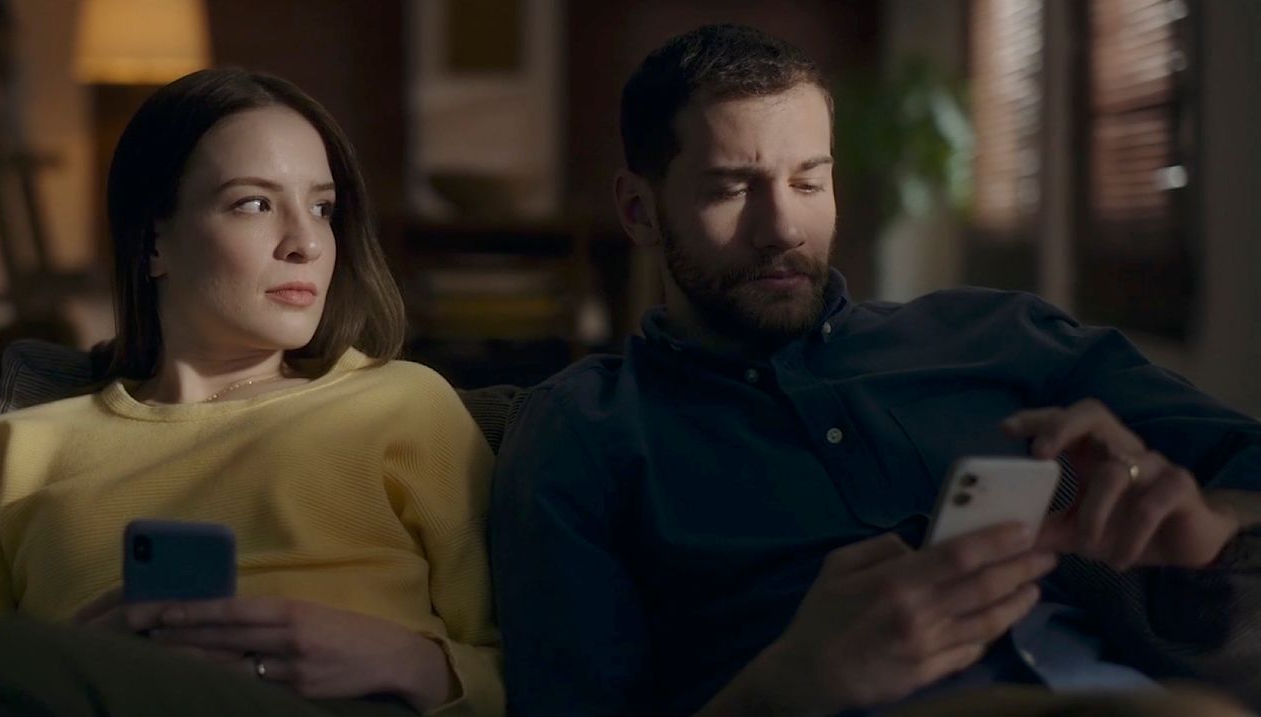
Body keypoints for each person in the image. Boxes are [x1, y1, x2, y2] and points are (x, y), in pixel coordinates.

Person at [488, 23, 1261, 717]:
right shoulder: (581, 428)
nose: (782, 227)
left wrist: (1215, 528)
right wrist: (785, 685)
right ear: (639, 210)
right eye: (731, 188)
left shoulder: (1002, 336)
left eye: (808, 181)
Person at [0, 68, 501, 716]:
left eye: (322, 207)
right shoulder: (11, 453)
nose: (306, 242)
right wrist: (72, 660)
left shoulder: (404, 404)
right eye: (254, 203)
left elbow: (554, 670)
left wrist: (404, 660)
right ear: (154, 241)